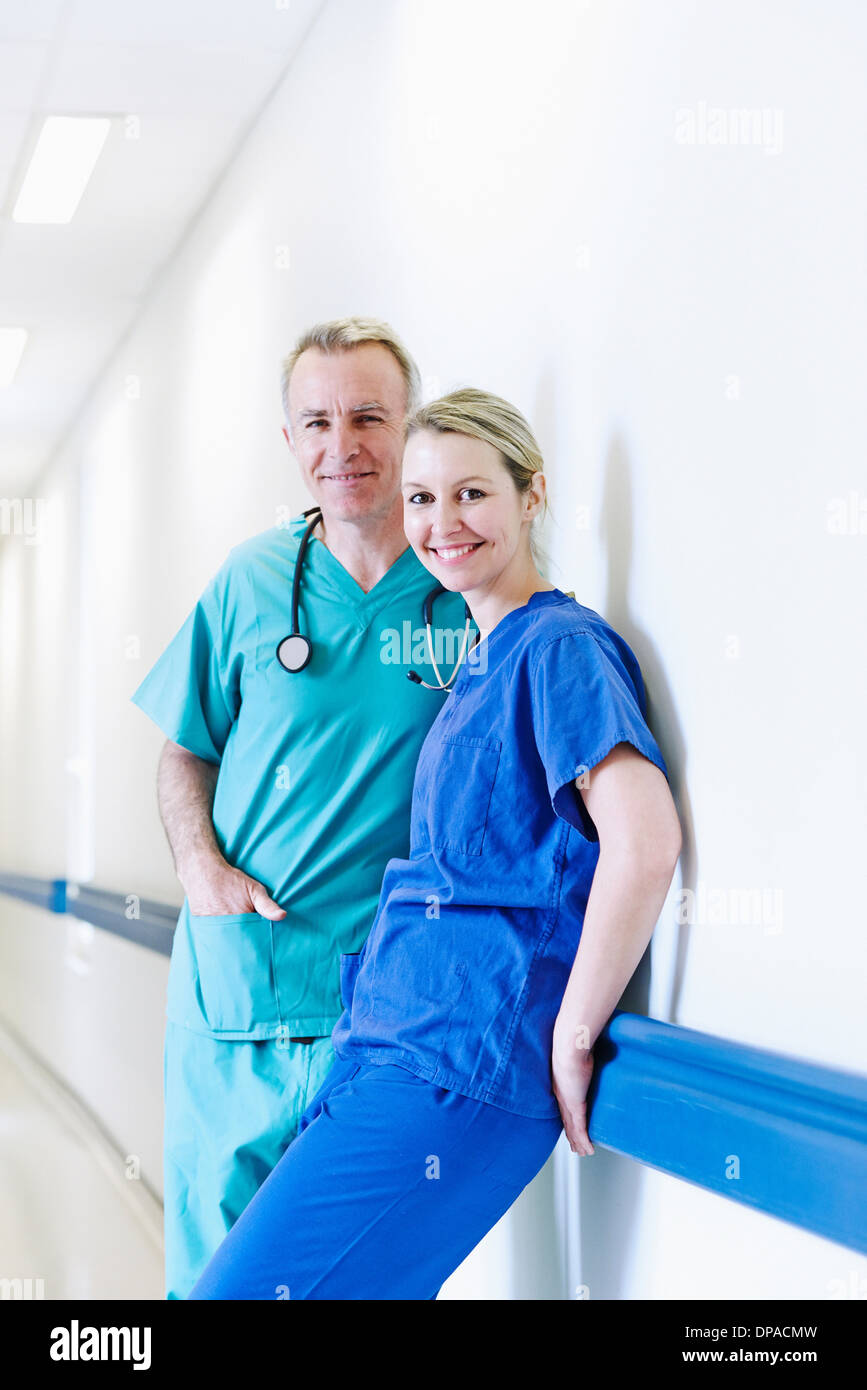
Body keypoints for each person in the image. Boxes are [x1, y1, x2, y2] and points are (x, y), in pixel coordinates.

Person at [188, 386, 683, 1301]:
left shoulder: (559, 648)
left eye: (471, 494)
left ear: (530, 495)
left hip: (458, 1063)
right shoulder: (478, 658)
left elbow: (644, 842)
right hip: (391, 1044)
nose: (442, 522)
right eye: (421, 498)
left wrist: (574, 1034)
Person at [130, 318, 469, 1299]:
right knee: (217, 1279)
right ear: (290, 441)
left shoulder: (459, 588)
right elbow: (183, 751)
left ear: (411, 426)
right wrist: (199, 867)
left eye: (369, 415)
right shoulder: (247, 584)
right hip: (237, 991)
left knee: (356, 1275)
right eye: (315, 420)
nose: (342, 443)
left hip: (384, 1006)